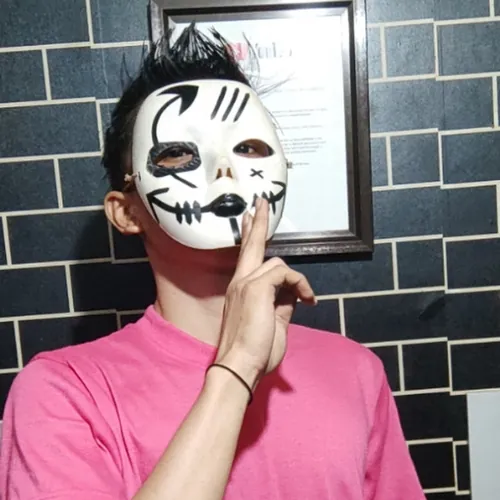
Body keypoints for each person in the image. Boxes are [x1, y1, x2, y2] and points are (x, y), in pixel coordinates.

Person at [0, 25, 425, 500]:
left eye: (249, 148)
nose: (224, 171)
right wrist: (238, 366)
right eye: (177, 154)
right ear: (126, 212)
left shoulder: (355, 372)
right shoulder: (64, 392)